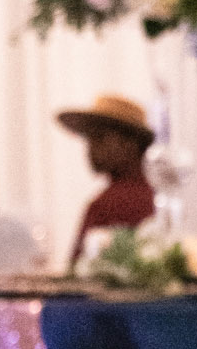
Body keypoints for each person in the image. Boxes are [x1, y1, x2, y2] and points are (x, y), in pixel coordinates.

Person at [57, 93, 156, 265]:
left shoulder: (106, 205)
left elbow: (76, 274)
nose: (90, 148)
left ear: (129, 144)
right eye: (88, 139)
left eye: (99, 138)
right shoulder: (156, 197)